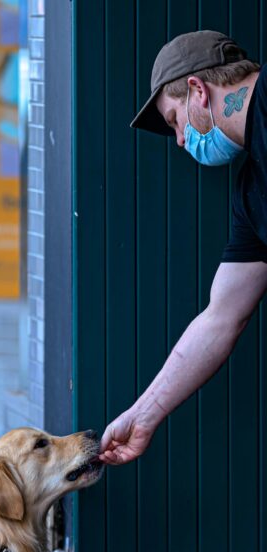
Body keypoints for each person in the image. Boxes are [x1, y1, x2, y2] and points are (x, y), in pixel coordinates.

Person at [99, 30, 267, 465]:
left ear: (197, 90)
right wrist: (143, 414)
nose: (179, 140)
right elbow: (220, 318)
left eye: (175, 121)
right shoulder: (253, 195)